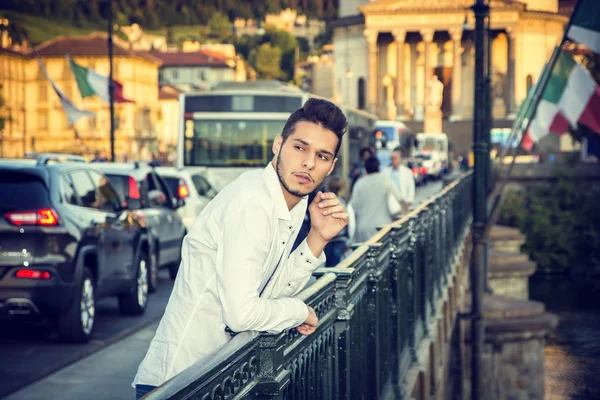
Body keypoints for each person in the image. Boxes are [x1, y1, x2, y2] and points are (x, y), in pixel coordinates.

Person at [132, 98, 349, 399]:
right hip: (180, 383)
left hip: (216, 380)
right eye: (300, 148)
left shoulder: (295, 202)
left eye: (322, 156)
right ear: (278, 145)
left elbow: (271, 294)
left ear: (331, 166)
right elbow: (242, 314)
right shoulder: (251, 202)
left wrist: (317, 238)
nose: (309, 163)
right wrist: (301, 312)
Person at [350, 156, 395, 243]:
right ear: (378, 166)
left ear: (365, 168)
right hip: (384, 225)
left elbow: (354, 205)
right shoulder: (386, 181)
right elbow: (399, 198)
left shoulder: (359, 183)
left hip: (364, 228)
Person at [323, 176, 352, 266]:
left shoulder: (324, 201)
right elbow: (350, 222)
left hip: (327, 239)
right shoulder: (343, 202)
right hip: (340, 238)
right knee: (338, 265)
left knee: (328, 264)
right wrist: (349, 239)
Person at [384, 147, 415, 216]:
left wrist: (409, 201)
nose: (393, 160)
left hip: (403, 203)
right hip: (391, 205)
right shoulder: (385, 171)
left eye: (395, 158)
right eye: (392, 158)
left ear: (401, 159)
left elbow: (411, 188)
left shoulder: (407, 172)